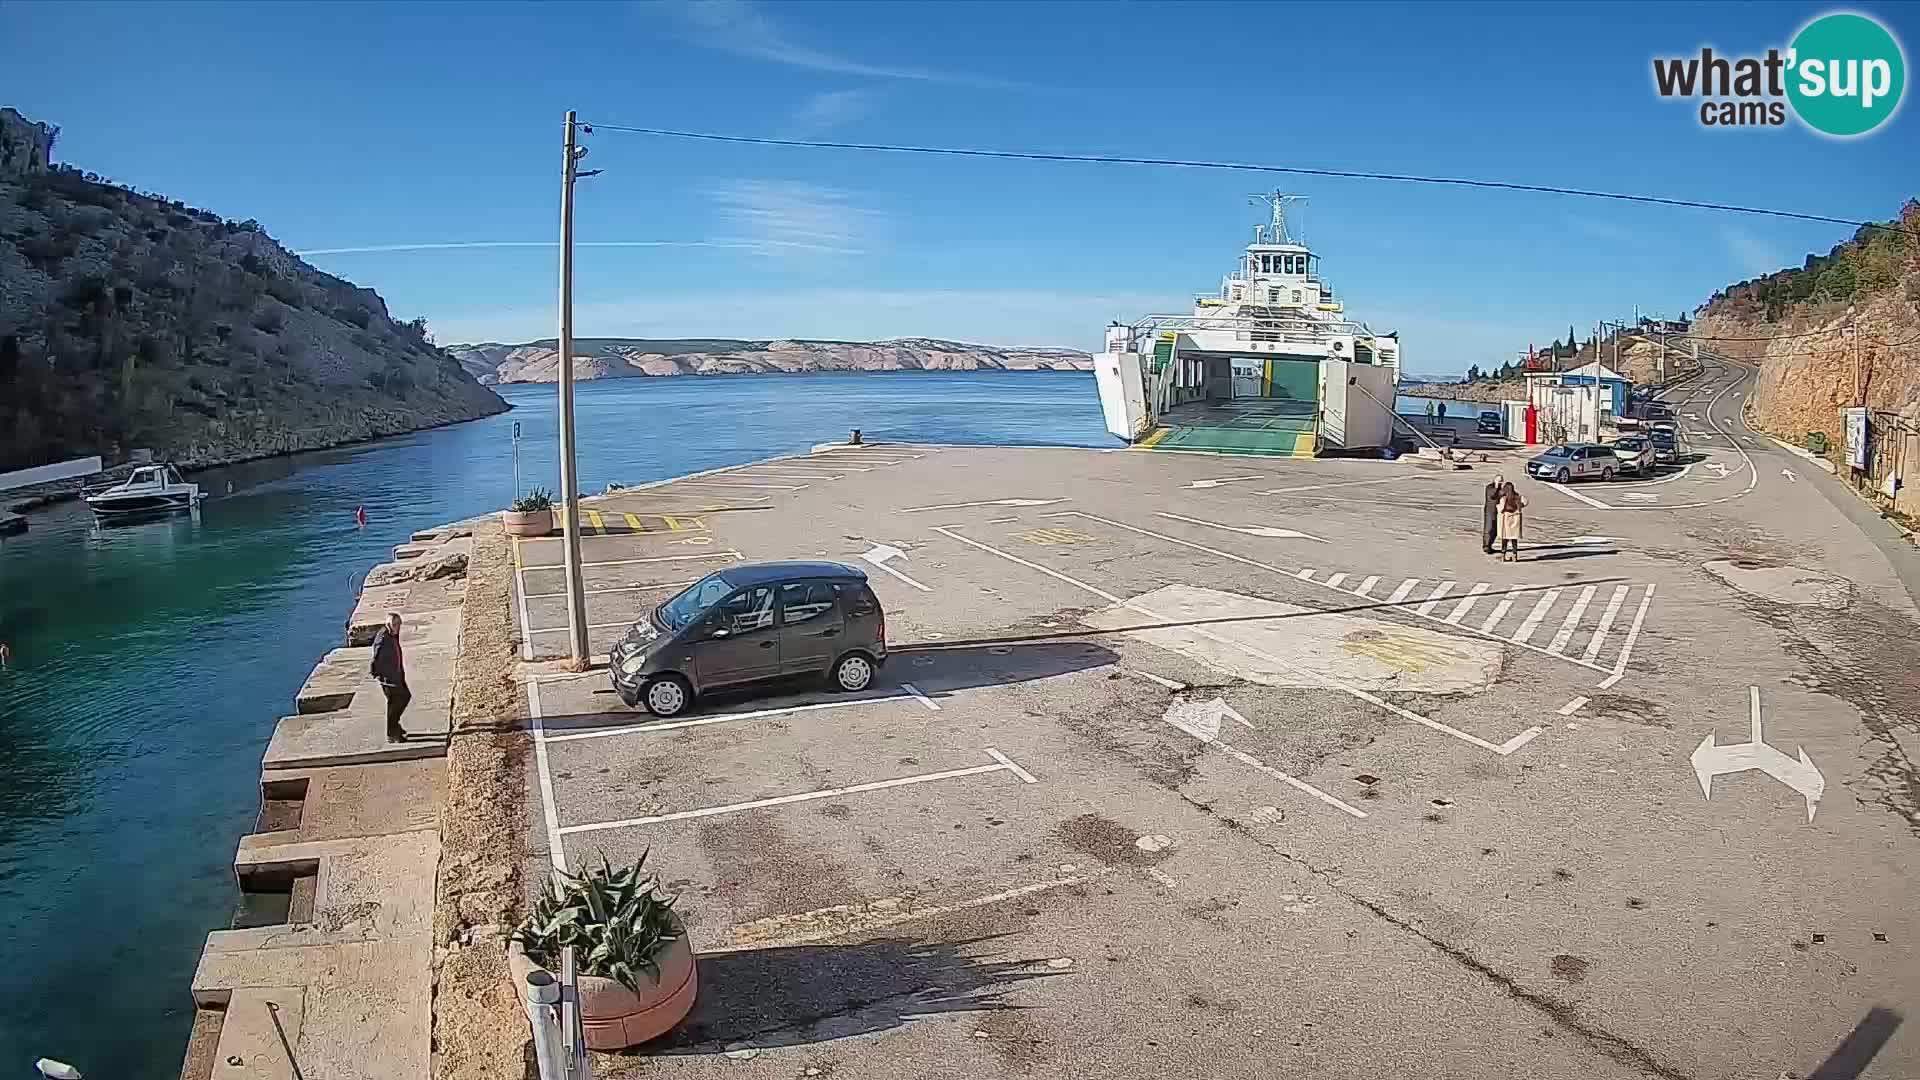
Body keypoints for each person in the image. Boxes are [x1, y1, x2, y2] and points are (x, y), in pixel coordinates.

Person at [370, 613, 410, 741]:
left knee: (404, 697)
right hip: (389, 678)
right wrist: (379, 675)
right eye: (395, 625)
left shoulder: (392, 634)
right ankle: (392, 733)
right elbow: (376, 658)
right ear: (388, 624)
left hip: (397, 674)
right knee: (395, 703)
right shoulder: (383, 638)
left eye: (399, 625)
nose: (397, 627)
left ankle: (394, 726)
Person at [1497, 482, 1528, 562]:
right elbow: (1525, 501)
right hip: (1515, 519)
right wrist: (1521, 506)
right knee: (1514, 539)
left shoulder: (1504, 498)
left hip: (1506, 519)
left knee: (1505, 539)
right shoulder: (1518, 497)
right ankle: (1514, 556)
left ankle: (1503, 556)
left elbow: (1500, 508)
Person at [1482, 474, 1504, 555]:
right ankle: (1486, 546)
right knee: (1489, 528)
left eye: (1501, 481)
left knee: (1495, 530)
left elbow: (1505, 494)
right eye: (1499, 480)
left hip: (1498, 511)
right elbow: (1492, 495)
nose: (1500, 482)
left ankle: (1490, 545)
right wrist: (1497, 486)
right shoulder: (1489, 487)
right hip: (1490, 511)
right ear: (1494, 480)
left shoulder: (1501, 488)